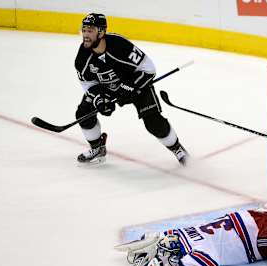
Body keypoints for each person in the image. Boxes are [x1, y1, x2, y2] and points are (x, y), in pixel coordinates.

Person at [74, 13, 188, 165]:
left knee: (154, 122)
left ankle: (178, 149)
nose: (85, 35)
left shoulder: (120, 45)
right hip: (107, 89)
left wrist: (130, 86)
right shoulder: (82, 58)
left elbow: (149, 69)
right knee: (83, 113)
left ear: (101, 32)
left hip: (135, 84)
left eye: (90, 30)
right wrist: (99, 99)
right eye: (84, 30)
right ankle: (97, 147)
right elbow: (88, 85)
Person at [115, 195, 267, 266]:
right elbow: (157, 237)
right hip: (246, 217)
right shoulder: (179, 234)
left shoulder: (192, 252)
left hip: (254, 239)